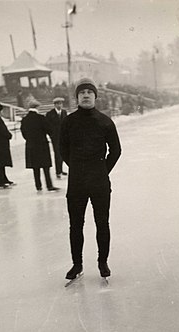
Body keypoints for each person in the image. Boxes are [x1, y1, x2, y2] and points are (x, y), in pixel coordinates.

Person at [60, 77, 121, 280]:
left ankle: (102, 262)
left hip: (99, 182)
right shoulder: (68, 121)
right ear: (77, 97)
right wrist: (77, 167)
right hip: (77, 181)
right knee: (75, 224)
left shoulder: (105, 121)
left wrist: (102, 170)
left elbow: (116, 150)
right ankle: (77, 265)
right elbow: (63, 149)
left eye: (89, 92)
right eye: (81, 93)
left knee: (102, 223)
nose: (85, 95)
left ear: (95, 96)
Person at [21, 100, 59, 192]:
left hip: (31, 146)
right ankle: (49, 185)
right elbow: (49, 130)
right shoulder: (41, 118)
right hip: (42, 145)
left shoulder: (24, 119)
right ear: (37, 107)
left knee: (35, 167)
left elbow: (24, 133)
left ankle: (38, 186)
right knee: (45, 167)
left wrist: (30, 140)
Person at [45, 97, 68, 179]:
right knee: (57, 154)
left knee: (62, 154)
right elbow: (47, 126)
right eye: (58, 103)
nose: (60, 105)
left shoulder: (64, 112)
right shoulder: (50, 114)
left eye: (61, 103)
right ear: (54, 104)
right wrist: (51, 135)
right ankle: (58, 171)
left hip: (63, 137)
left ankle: (61, 170)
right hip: (55, 138)